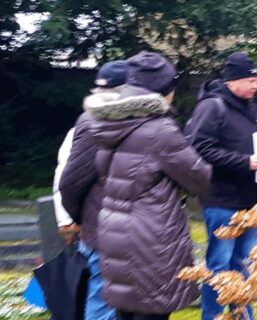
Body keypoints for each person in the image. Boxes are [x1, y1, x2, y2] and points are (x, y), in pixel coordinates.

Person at [84, 51, 211, 320]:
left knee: (125, 311)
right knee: (151, 312)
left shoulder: (106, 121)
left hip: (113, 228)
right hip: (150, 237)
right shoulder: (159, 129)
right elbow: (199, 178)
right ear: (166, 92)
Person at [184, 52, 257, 320]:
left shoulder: (253, 107)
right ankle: (212, 316)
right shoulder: (212, 107)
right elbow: (199, 148)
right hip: (222, 201)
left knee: (243, 262)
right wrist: (244, 162)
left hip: (252, 202)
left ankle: (241, 314)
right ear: (232, 81)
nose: (255, 85)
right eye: (249, 80)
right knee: (219, 264)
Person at [57, 59, 128, 320]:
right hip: (101, 229)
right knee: (101, 301)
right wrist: (72, 218)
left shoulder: (90, 124)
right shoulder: (89, 127)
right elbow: (67, 181)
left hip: (104, 227)